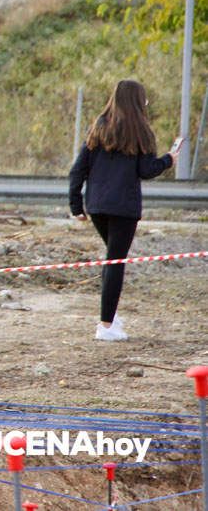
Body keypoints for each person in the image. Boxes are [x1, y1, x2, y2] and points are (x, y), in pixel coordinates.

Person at [69, 80, 177, 342]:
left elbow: (77, 169)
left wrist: (76, 206)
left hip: (97, 206)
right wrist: (169, 159)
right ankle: (106, 326)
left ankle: (110, 317)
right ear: (138, 101)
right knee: (116, 261)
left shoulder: (98, 128)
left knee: (112, 258)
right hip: (124, 208)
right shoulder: (141, 132)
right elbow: (146, 170)